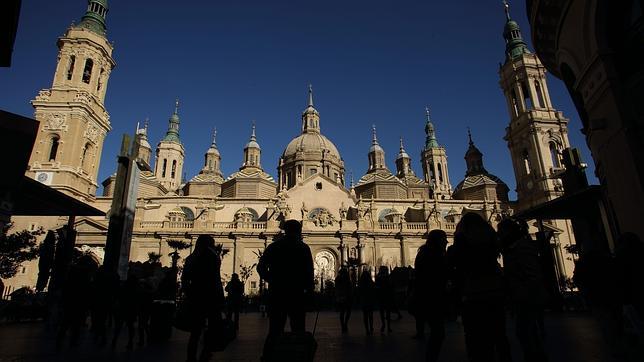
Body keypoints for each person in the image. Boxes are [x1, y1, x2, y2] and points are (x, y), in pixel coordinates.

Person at [453, 213, 512, 362]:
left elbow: (457, 268)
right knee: (500, 335)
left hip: (472, 294)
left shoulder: (462, 240)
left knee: (475, 337)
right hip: (495, 292)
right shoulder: (492, 240)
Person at [257, 220, 314, 353]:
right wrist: (310, 293)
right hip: (297, 294)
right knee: (298, 329)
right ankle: (299, 356)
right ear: (299, 231)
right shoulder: (303, 248)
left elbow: (261, 267)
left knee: (275, 329)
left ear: (285, 230)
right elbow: (309, 272)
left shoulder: (274, 247)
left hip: (277, 293)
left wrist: (271, 279)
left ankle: (268, 356)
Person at [499, 218, 548, 362]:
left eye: (501, 231)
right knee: (526, 333)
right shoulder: (513, 248)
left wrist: (526, 294)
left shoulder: (521, 248)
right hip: (522, 297)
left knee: (526, 332)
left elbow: (533, 275)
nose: (499, 235)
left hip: (527, 298)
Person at [182, 235, 225, 362]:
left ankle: (191, 358)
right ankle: (206, 354)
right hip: (211, 297)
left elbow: (185, 279)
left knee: (195, 332)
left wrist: (188, 294)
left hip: (196, 297)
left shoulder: (191, 257)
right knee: (213, 329)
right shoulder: (213, 256)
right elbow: (216, 279)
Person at [414, 229, 449, 362]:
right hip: (433, 298)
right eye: (443, 238)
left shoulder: (423, 253)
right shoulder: (434, 255)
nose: (446, 241)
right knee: (438, 333)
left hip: (426, 297)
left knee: (437, 333)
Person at [375, 266, 394, 333]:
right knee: (387, 313)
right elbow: (391, 287)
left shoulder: (379, 277)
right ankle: (387, 326)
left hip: (382, 297)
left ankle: (384, 325)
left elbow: (376, 287)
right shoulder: (387, 277)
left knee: (383, 312)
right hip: (386, 297)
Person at [334, 267, 353, 333]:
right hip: (344, 297)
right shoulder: (341, 279)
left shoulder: (343, 279)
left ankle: (344, 324)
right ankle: (344, 324)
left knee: (344, 312)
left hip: (344, 297)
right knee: (345, 311)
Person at [358, 268, 376, 335]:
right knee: (370, 315)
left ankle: (367, 329)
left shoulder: (361, 284)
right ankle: (371, 327)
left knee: (365, 316)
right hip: (370, 300)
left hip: (364, 300)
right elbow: (374, 291)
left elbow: (359, 292)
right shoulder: (371, 283)